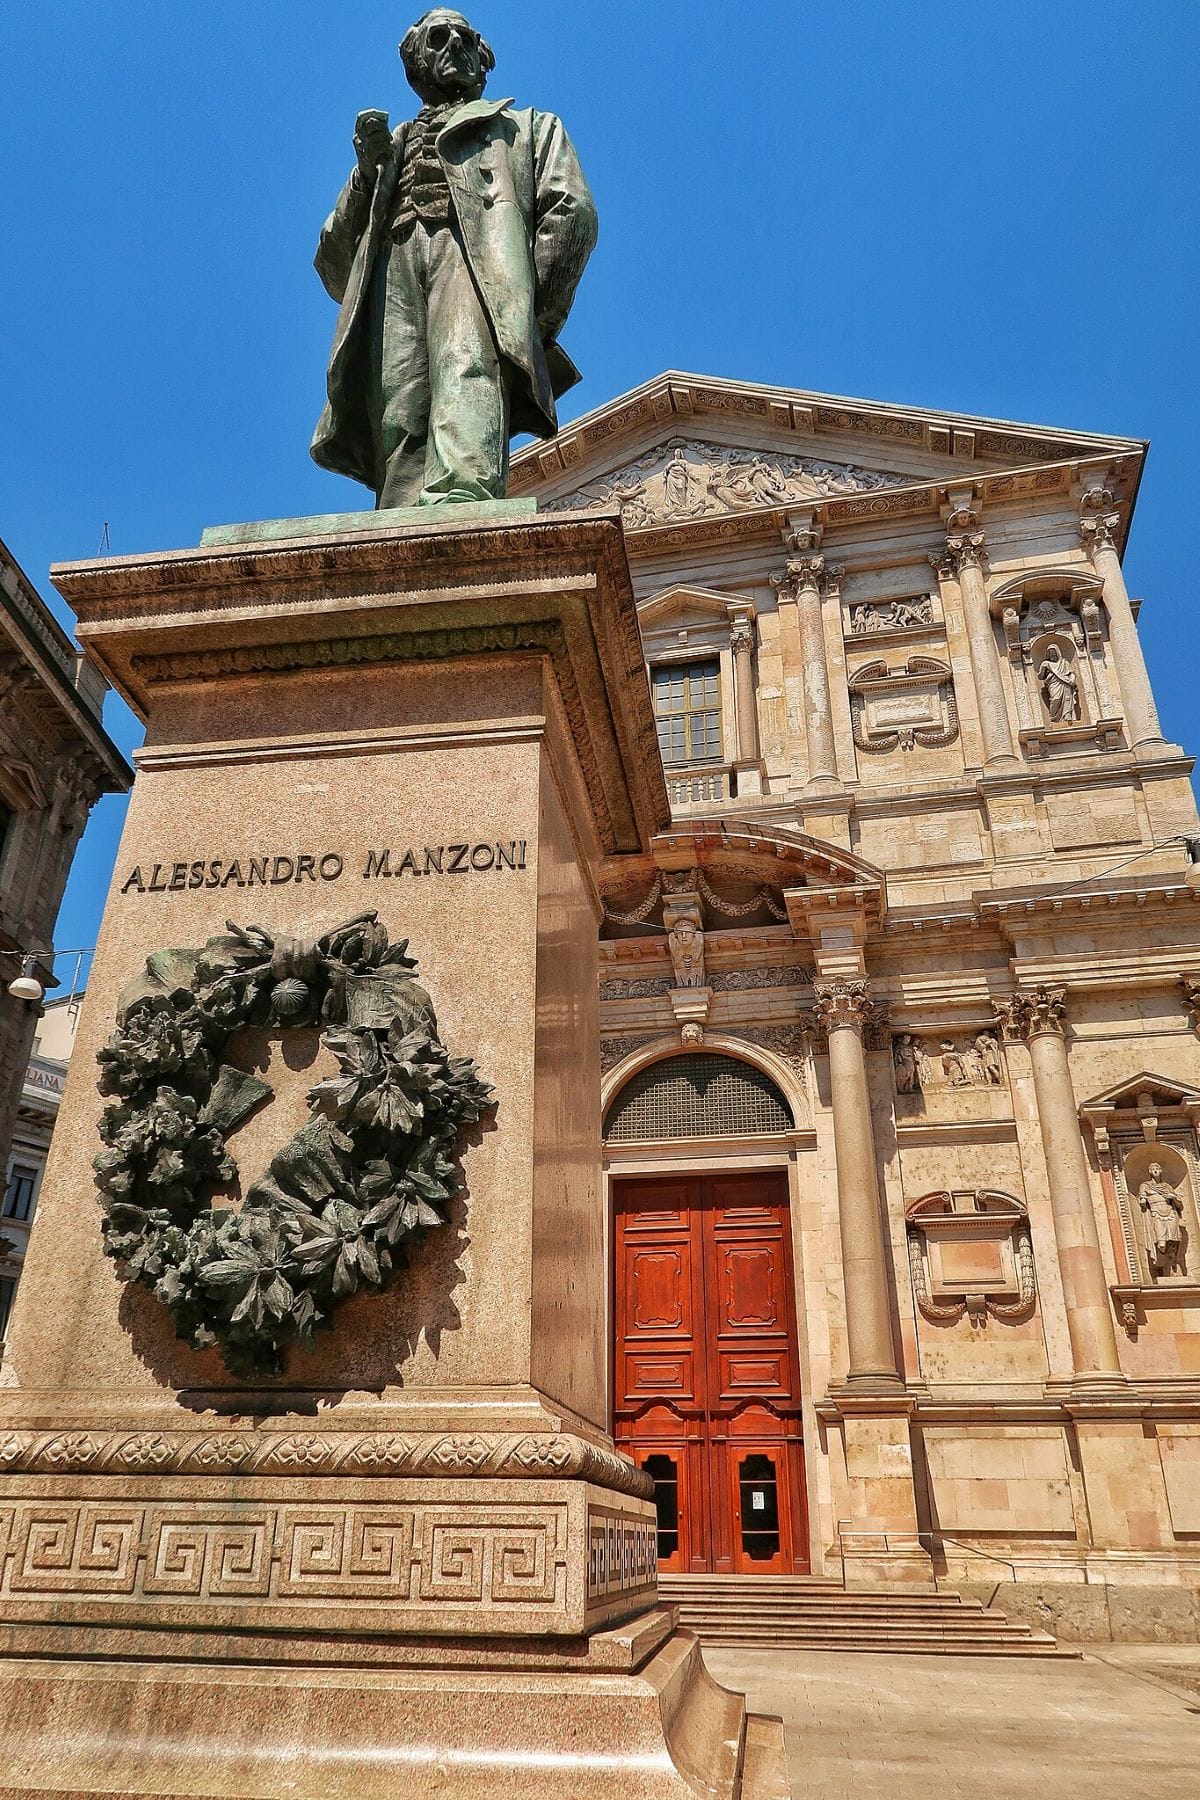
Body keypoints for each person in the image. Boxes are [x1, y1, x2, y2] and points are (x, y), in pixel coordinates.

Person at [312, 9, 597, 509]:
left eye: (465, 38)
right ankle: (400, 520)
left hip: (473, 258)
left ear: (483, 60)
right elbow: (333, 262)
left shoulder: (526, 127)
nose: (455, 45)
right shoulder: (389, 148)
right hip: (393, 267)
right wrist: (366, 172)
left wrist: (524, 307)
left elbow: (572, 211)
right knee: (397, 403)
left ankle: (462, 505)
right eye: (439, 38)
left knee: (465, 372)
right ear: (416, 62)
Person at [1138, 1162, 1185, 1277]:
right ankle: (1163, 1266)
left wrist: (1173, 1198)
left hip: (1170, 1213)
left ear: (1161, 1171)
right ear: (1149, 1171)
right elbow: (1142, 1201)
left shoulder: (1167, 1187)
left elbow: (1179, 1205)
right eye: (1153, 1168)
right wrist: (1143, 1200)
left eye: (1158, 1168)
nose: (1156, 1170)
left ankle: (1173, 1267)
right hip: (1157, 1213)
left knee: (1173, 1241)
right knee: (1161, 1243)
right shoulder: (1145, 1186)